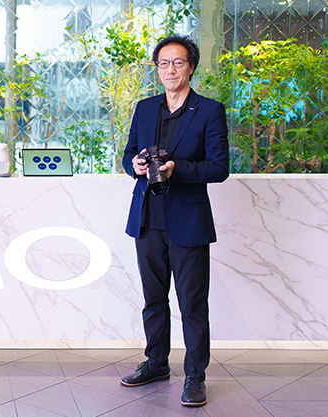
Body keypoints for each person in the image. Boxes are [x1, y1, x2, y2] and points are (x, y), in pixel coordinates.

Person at [120, 35, 229, 407]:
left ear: (191, 67)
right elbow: (128, 154)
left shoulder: (209, 111)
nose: (170, 69)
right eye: (163, 63)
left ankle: (195, 376)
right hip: (147, 218)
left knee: (192, 303)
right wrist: (135, 165)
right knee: (153, 299)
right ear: (157, 69)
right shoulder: (145, 108)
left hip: (188, 220)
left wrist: (175, 168)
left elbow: (219, 168)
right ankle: (156, 362)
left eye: (178, 62)